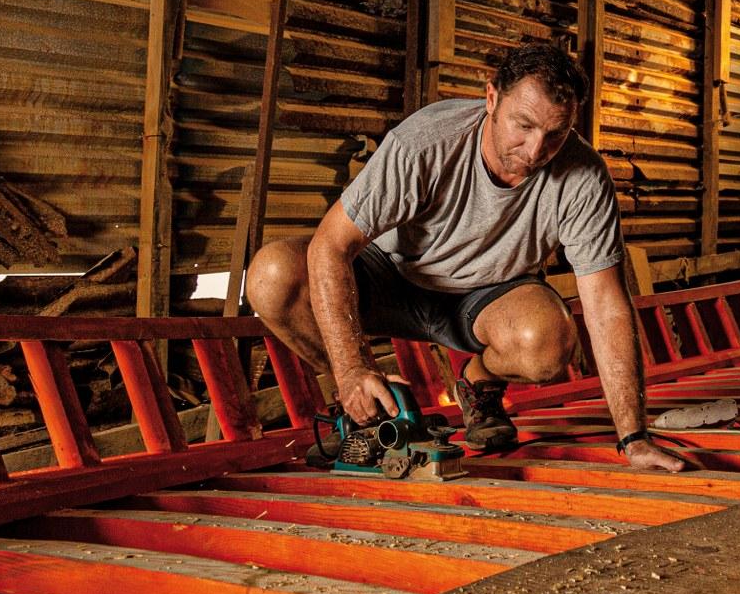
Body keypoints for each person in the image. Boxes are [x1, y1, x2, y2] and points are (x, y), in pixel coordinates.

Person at [246, 43, 687, 473]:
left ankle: (478, 382)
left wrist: (633, 437)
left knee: (549, 341)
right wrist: (351, 368)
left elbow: (607, 306)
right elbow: (330, 246)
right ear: (492, 96)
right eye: (523, 125)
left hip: (486, 297)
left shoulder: (583, 176)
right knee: (271, 275)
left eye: (555, 133)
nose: (535, 151)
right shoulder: (423, 143)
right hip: (392, 277)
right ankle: (366, 409)